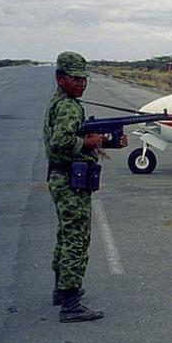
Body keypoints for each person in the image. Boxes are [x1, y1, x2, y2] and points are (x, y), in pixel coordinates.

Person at [44, 51, 126, 323]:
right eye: (75, 79)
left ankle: (62, 290)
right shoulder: (68, 106)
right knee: (76, 240)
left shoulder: (63, 103)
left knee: (66, 235)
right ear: (60, 79)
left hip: (64, 177)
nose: (81, 84)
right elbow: (61, 143)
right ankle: (70, 303)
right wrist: (90, 143)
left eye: (84, 78)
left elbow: (74, 141)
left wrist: (108, 142)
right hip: (70, 181)